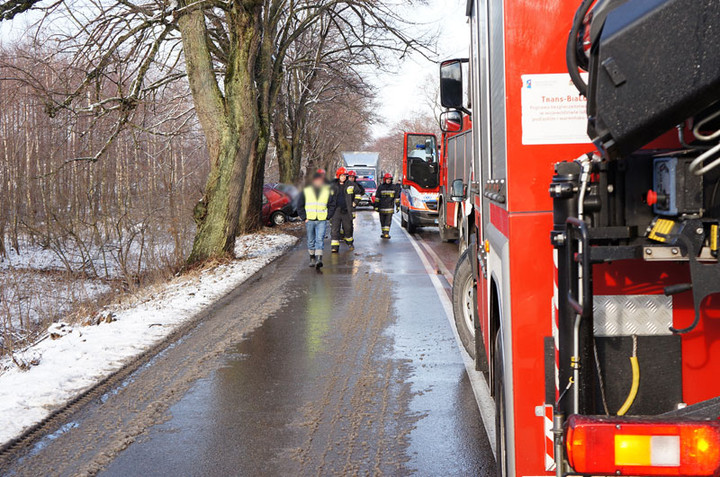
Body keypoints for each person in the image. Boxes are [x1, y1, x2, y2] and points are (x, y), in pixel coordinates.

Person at [297, 171, 336, 269]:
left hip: (322, 219)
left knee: (320, 239)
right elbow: (300, 205)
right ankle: (312, 258)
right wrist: (304, 217)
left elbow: (332, 204)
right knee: (311, 240)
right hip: (310, 219)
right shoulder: (306, 191)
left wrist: (328, 216)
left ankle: (319, 259)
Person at [330, 167, 356, 252]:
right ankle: (334, 247)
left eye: (345, 175)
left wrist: (355, 202)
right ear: (338, 176)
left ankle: (349, 242)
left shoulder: (350, 184)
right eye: (342, 176)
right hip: (336, 210)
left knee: (348, 228)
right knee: (335, 229)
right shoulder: (332, 185)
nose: (343, 177)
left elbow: (359, 192)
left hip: (346, 210)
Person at [374, 173, 401, 239]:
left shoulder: (394, 187)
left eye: (389, 179)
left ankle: (386, 233)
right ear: (384, 179)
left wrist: (397, 206)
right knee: (382, 221)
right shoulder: (380, 187)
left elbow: (397, 198)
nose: (388, 180)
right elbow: (377, 197)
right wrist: (376, 206)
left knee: (388, 221)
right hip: (382, 208)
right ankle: (384, 233)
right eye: (387, 179)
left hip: (389, 208)